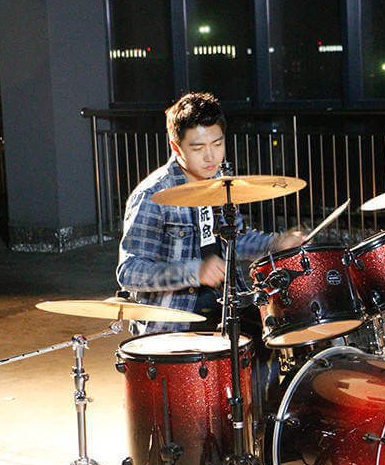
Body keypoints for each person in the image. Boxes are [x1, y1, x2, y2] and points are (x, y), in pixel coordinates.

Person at [116, 92, 304, 334]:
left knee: (285, 328)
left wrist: (276, 244)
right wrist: (194, 272)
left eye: (217, 144)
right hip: (175, 322)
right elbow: (130, 272)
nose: (211, 156)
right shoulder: (153, 195)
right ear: (175, 147)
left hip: (226, 307)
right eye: (198, 148)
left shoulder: (220, 182)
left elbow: (236, 240)